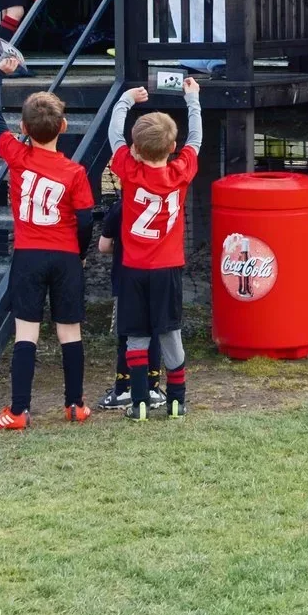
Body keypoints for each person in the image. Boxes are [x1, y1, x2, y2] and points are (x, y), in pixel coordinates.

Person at [0, 53, 96, 428]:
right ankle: (75, 404)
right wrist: (78, 253)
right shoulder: (75, 171)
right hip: (64, 256)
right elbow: (85, 218)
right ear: (64, 126)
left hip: (28, 254)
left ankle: (18, 410)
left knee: (25, 332)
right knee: (69, 332)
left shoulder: (16, 155)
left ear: (24, 128)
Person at [98, 76, 202, 420]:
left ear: (136, 149)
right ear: (172, 148)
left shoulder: (128, 169)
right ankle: (176, 398)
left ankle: (139, 400)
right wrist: (192, 99)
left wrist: (125, 100)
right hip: (167, 269)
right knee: (170, 332)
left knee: (137, 335)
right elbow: (197, 140)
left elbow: (114, 135)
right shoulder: (180, 172)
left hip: (134, 269)